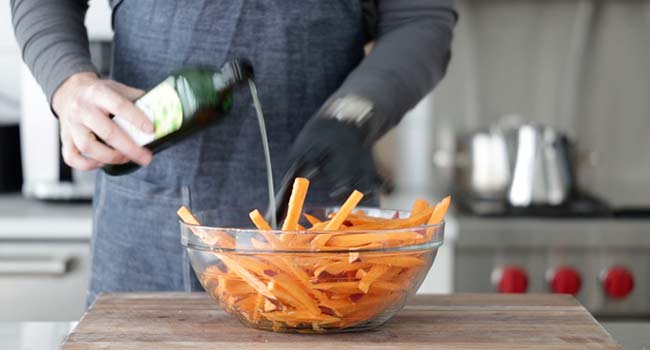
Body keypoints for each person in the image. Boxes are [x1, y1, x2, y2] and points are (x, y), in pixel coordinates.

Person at [11, 0, 456, 305]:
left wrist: (353, 113)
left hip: (326, 235)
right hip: (151, 231)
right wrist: (68, 82)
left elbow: (420, 18)